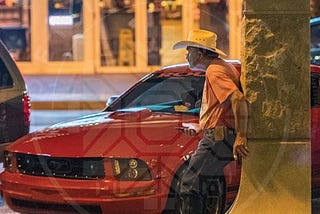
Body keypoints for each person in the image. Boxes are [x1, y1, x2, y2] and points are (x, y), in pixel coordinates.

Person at [172, 29, 249, 213]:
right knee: (199, 188)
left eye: (189, 50)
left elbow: (238, 99)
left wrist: (241, 136)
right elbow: (224, 107)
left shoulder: (214, 71)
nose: (186, 55)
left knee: (189, 187)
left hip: (218, 139)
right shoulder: (220, 66)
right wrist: (202, 126)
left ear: (200, 53)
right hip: (218, 135)